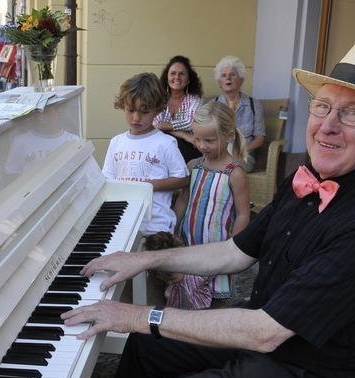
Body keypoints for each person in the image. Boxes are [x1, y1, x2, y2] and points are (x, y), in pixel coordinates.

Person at [62, 43, 355, 378]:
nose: (328, 125)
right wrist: (144, 259)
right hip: (272, 347)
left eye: (352, 114)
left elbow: (264, 332)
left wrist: (138, 314)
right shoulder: (307, 179)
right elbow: (235, 251)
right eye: (322, 106)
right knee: (147, 348)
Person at [174, 101, 250, 304]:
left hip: (218, 251)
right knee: (187, 298)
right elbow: (183, 199)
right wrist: (172, 227)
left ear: (229, 136)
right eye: (197, 139)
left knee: (214, 303)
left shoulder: (235, 173)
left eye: (209, 140)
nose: (201, 146)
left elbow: (243, 214)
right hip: (189, 245)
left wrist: (233, 249)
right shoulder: (194, 166)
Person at [102, 72, 189, 234]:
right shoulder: (116, 143)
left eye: (144, 112)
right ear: (123, 106)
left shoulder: (165, 143)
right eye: (131, 110)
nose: (136, 118)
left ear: (157, 110)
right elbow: (108, 181)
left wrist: (150, 186)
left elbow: (183, 179)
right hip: (122, 223)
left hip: (155, 227)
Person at [214, 55, 266, 172]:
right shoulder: (213, 105)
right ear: (219, 82)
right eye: (223, 75)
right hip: (218, 154)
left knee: (229, 167)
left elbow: (259, 139)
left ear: (241, 80)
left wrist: (240, 151)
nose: (228, 78)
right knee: (194, 165)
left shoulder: (254, 105)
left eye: (233, 75)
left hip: (243, 156)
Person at [153, 55, 204, 163]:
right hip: (162, 145)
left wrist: (164, 127)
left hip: (188, 147)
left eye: (181, 74)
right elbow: (155, 125)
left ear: (188, 79)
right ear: (167, 78)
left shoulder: (195, 99)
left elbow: (190, 123)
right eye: (173, 73)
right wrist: (183, 134)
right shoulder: (159, 99)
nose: (177, 77)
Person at [144, 232, 212, 309]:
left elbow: (209, 272)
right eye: (166, 280)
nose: (169, 282)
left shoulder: (194, 275)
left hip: (200, 307)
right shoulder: (176, 278)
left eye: (171, 279)